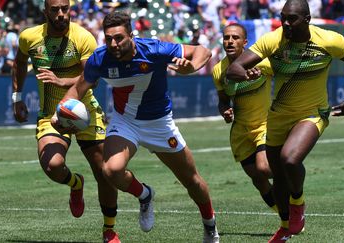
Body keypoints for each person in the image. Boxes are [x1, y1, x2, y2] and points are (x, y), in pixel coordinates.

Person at [55, 11, 220, 243]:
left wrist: (191, 67)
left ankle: (210, 225)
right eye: (109, 38)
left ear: (132, 35)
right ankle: (145, 195)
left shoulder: (154, 50)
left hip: (160, 123)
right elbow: (78, 88)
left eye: (120, 38)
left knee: (191, 180)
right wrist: (60, 112)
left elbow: (203, 51)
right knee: (110, 170)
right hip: (125, 122)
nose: (114, 43)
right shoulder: (100, 59)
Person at [226, 0, 344, 242]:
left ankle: (298, 203)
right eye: (283, 17)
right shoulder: (274, 39)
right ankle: (284, 228)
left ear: (307, 19)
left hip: (312, 114)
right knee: (278, 177)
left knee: (289, 160)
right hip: (278, 117)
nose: (286, 23)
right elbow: (234, 68)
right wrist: (244, 72)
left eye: (292, 18)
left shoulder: (328, 40)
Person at [11, 0, 120, 242]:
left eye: (65, 9)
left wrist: (61, 82)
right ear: (45, 11)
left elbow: (91, 78)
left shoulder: (83, 37)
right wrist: (17, 97)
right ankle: (75, 183)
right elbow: (18, 63)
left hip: (85, 111)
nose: (61, 14)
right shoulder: (29, 37)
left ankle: (109, 229)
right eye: (55, 10)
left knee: (104, 172)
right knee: (52, 166)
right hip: (51, 114)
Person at [212, 23, 277, 215]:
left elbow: (284, 79)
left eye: (235, 38)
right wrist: (225, 111)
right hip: (240, 131)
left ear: (245, 42)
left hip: (265, 124)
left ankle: (291, 172)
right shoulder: (218, 71)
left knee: (264, 168)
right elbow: (223, 101)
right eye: (226, 38)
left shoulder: (262, 63)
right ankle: (285, 214)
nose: (230, 41)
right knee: (258, 179)